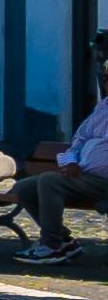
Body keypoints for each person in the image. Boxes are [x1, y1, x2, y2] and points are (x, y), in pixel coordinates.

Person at [14, 86, 108, 261]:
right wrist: (71, 161)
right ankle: (64, 241)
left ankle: (52, 244)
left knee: (50, 181)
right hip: (82, 175)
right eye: (107, 78)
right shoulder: (103, 108)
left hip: (102, 181)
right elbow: (79, 139)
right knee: (24, 188)